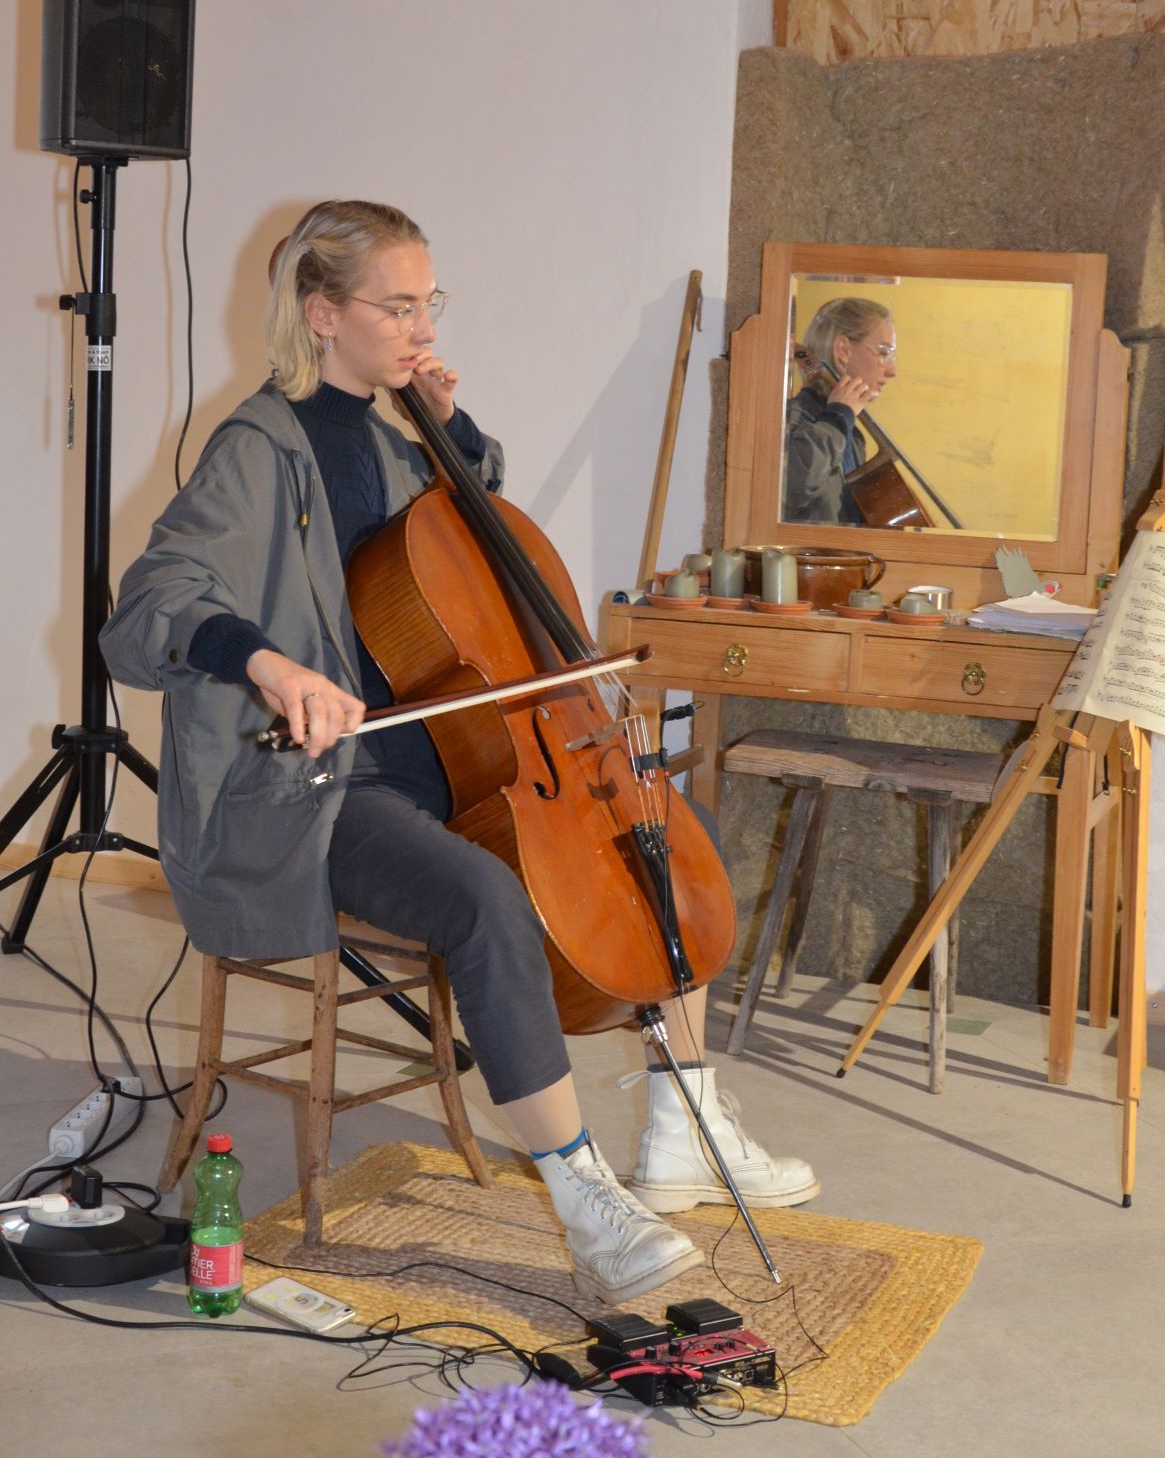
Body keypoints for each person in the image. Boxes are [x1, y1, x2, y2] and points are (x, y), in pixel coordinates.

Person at [100, 199, 819, 1306]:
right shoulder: (258, 449)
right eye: (396, 306)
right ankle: (583, 1196)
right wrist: (272, 667)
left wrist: (450, 429)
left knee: (667, 839)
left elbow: (471, 554)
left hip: (455, 760)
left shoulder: (400, 441)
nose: (422, 326)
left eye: (428, 302)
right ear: (321, 313)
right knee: (485, 900)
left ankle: (683, 1122)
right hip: (328, 788)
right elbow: (152, 602)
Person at [782, 297, 897, 526]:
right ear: (843, 350)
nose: (892, 370)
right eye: (884, 353)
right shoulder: (795, 417)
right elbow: (792, 488)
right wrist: (836, 418)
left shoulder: (852, 434)